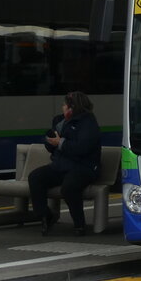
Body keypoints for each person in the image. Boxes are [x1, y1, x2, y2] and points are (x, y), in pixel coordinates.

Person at [29, 91, 101, 235]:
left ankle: (79, 224)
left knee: (69, 187)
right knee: (36, 177)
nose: (62, 107)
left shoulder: (88, 123)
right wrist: (50, 142)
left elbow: (82, 148)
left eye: (64, 105)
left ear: (72, 107)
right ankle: (45, 215)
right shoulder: (61, 121)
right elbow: (52, 147)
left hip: (83, 167)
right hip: (61, 165)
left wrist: (60, 143)